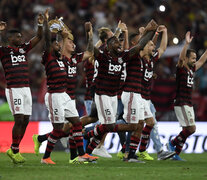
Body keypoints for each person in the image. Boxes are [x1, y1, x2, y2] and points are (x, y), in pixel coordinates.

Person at [84, 20, 158, 158]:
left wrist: (150, 31)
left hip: (113, 95)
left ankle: (87, 151)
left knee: (110, 126)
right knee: (110, 126)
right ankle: (85, 134)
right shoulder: (102, 56)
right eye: (117, 42)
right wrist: (89, 33)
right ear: (109, 45)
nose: (120, 45)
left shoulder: (122, 57)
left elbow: (140, 45)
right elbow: (90, 49)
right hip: (102, 94)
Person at [33, 11, 95, 165]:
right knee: (59, 129)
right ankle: (46, 157)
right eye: (55, 44)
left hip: (66, 96)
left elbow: (90, 51)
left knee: (77, 123)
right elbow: (48, 41)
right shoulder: (49, 57)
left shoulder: (66, 60)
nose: (55, 46)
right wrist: (46, 23)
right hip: (54, 96)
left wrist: (89, 34)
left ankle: (81, 155)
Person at [0, 12, 44, 164]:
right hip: (14, 89)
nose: (20, 39)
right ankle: (15, 150)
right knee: (18, 119)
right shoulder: (4, 51)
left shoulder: (23, 49)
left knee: (25, 120)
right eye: (17, 37)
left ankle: (13, 150)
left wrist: (39, 23)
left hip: (26, 88)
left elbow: (38, 38)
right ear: (10, 39)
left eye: (20, 36)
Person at [166, 31, 207, 160]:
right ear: (187, 59)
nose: (195, 60)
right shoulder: (181, 68)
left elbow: (202, 61)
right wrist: (186, 45)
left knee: (186, 129)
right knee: (192, 129)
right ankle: (172, 143)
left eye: (195, 58)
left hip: (187, 102)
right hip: (181, 101)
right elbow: (181, 58)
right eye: (193, 58)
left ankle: (176, 154)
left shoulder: (192, 70)